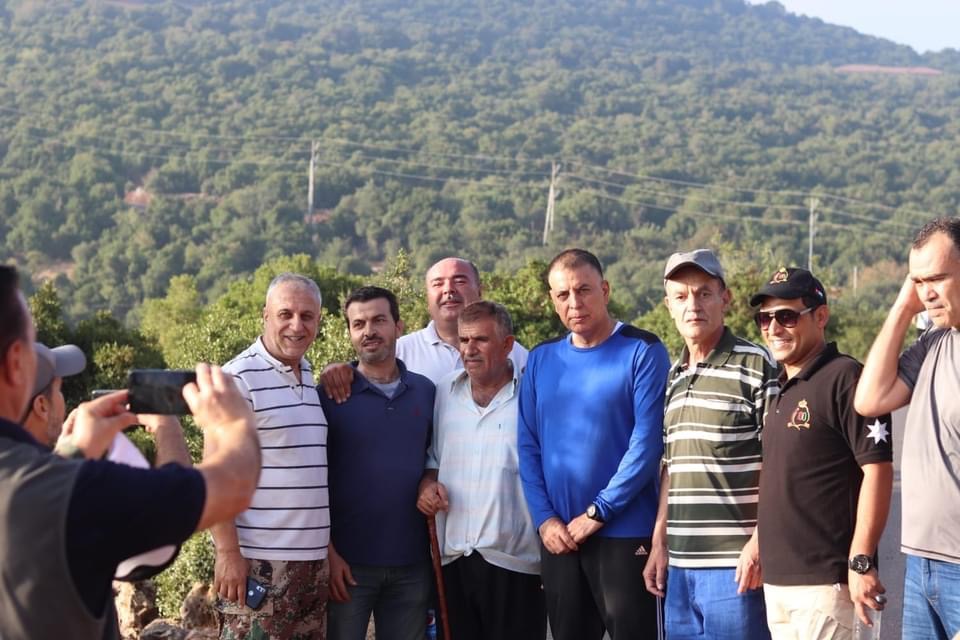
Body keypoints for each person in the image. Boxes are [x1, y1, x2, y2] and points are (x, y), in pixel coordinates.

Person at [0, 264, 261, 639]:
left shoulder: (47, 486)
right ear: (14, 363)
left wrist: (73, 453)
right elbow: (234, 485)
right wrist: (233, 422)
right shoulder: (76, 492)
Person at [517, 248, 671, 640]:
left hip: (625, 534)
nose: (574, 302)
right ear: (552, 300)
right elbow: (528, 447)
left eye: (583, 290)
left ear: (605, 290)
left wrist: (598, 512)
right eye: (563, 294)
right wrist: (545, 519)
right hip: (560, 539)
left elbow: (646, 445)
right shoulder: (540, 359)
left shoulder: (643, 350)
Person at [751, 267, 893, 639]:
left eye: (786, 316)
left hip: (826, 585)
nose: (773, 328)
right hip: (779, 585)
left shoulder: (846, 378)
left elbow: (877, 470)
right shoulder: (784, 387)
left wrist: (861, 560)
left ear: (821, 316)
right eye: (764, 318)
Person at [643, 250, 777, 639]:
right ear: (668, 306)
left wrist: (759, 544)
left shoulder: (756, 365)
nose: (693, 305)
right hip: (680, 571)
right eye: (681, 296)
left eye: (704, 293)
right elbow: (671, 468)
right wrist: (659, 543)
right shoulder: (674, 376)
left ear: (725, 298)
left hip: (735, 568)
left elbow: (780, 463)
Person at [854, 217, 960, 640]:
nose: (926, 292)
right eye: (918, 281)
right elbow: (870, 399)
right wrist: (902, 307)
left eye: (937, 278)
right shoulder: (936, 340)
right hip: (921, 563)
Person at [418, 301, 546, 640]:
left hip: (515, 563)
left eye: (481, 340)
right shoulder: (444, 391)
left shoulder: (532, 394)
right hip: (453, 561)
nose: (469, 350)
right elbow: (434, 459)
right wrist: (427, 486)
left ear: (507, 345)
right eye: (464, 340)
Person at [213, 272, 330, 640]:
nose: (297, 325)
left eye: (307, 316)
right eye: (285, 314)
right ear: (265, 315)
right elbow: (217, 476)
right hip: (259, 567)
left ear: (319, 321)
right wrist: (228, 553)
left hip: (312, 566)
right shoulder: (238, 379)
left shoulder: (307, 374)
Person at [320, 286, 435, 640]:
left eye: (378, 320)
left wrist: (430, 479)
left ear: (398, 326)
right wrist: (329, 554)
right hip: (347, 564)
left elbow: (437, 457)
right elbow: (311, 479)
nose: (368, 331)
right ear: (350, 333)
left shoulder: (427, 391)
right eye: (358, 324)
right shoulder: (329, 394)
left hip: (412, 561)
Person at [320, 257, 528, 399]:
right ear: (427, 299)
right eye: (438, 284)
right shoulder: (399, 351)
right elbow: (363, 373)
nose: (448, 290)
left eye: (459, 281)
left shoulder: (516, 356)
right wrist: (335, 371)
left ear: (480, 291)